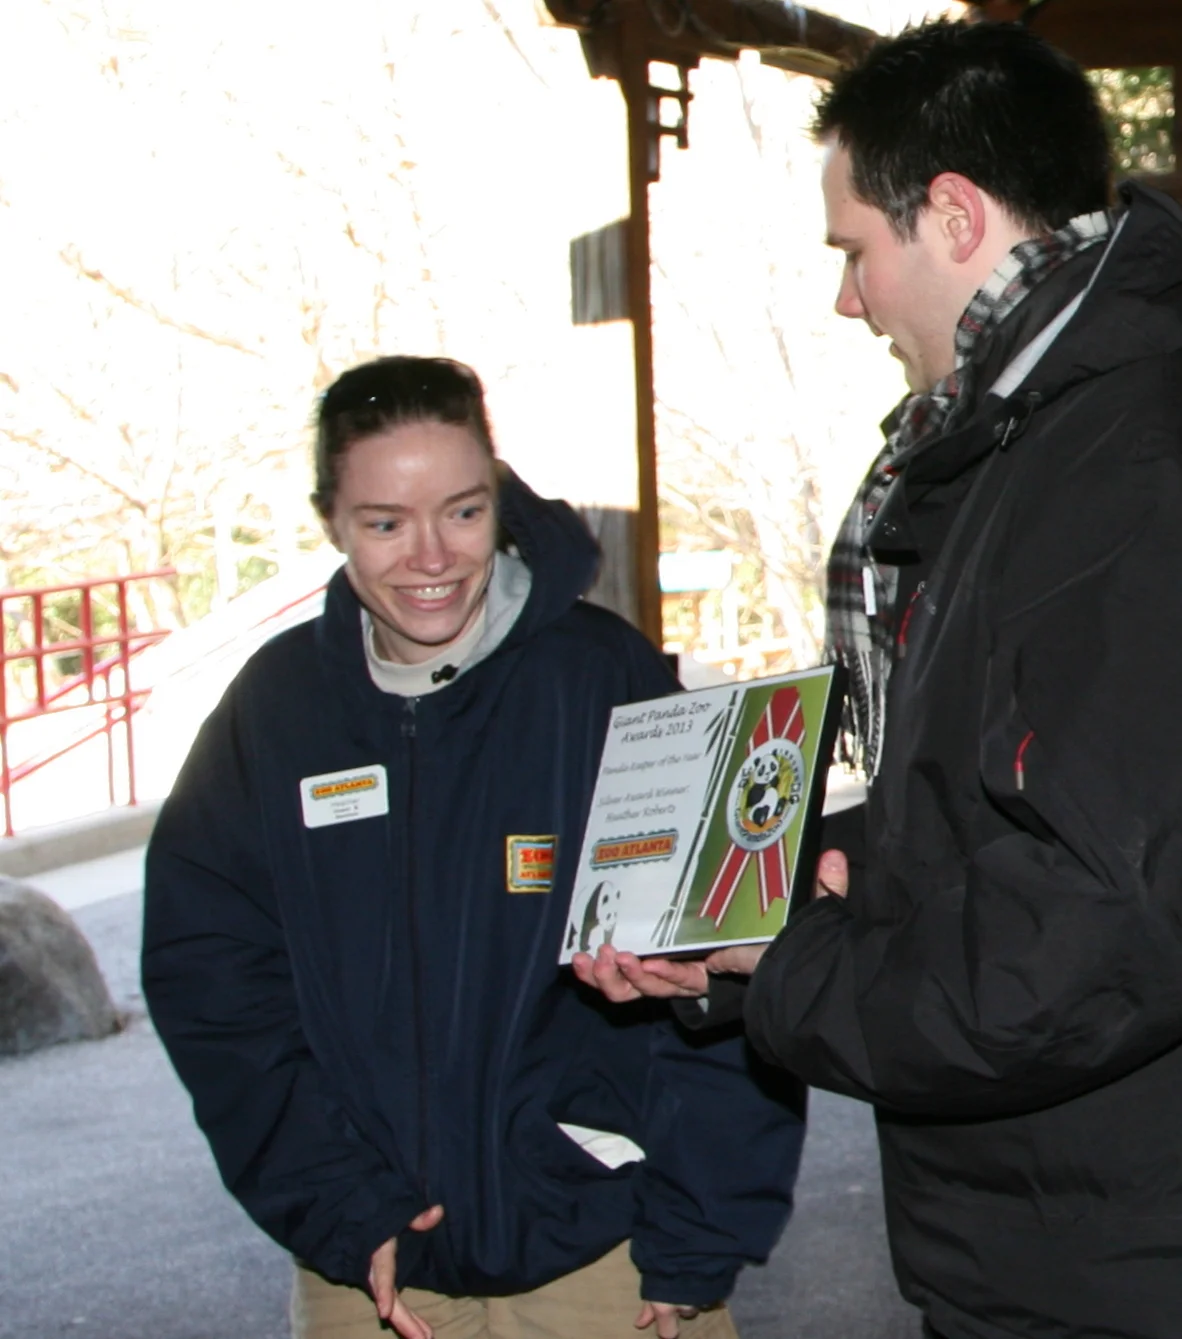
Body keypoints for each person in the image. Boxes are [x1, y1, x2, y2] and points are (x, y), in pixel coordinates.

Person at [579, 20, 1182, 1339]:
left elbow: (1108, 922)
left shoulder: (1141, 466)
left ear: (955, 215)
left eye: (854, 250)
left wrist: (791, 961)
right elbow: (1019, 796)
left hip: (1172, 1260)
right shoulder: (1046, 437)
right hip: (1101, 1223)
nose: (847, 298)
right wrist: (784, 888)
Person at [144, 356, 805, 1339]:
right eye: (384, 523)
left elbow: (724, 978)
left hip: (605, 1253)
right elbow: (214, 984)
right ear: (331, 519)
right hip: (371, 1269)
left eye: (461, 511)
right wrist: (332, 1199)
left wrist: (698, 1231)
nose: (431, 556)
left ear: (497, 496)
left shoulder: (606, 682)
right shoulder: (275, 713)